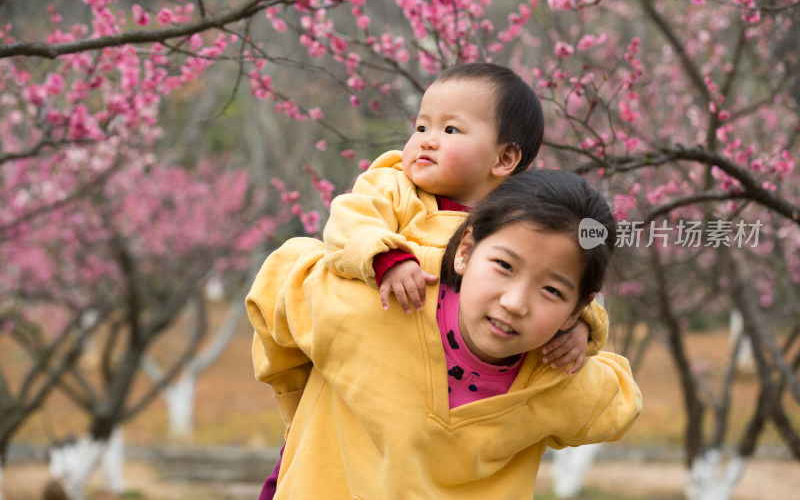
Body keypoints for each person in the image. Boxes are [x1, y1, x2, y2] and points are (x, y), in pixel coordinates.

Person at [255, 63, 609, 498]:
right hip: (373, 351)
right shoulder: (396, 187)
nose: (426, 138)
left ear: (504, 158)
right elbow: (350, 222)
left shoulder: (519, 221)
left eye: (451, 130)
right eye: (421, 125)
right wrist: (386, 256)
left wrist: (584, 327)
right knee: (299, 462)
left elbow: (558, 277)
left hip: (432, 411)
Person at [247, 169, 642, 498]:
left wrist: (588, 330)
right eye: (504, 265)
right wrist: (300, 405)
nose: (515, 302)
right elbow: (277, 284)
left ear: (578, 306)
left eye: (552, 291)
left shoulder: (558, 376)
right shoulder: (373, 307)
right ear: (466, 249)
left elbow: (621, 400)